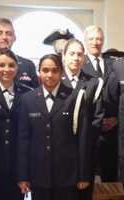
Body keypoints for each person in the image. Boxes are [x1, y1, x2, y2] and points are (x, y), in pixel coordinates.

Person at [17, 53, 94, 200]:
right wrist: (22, 176)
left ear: (61, 72)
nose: (50, 75)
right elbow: (23, 140)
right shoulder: (28, 100)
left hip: (67, 175)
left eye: (55, 70)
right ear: (39, 72)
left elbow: (83, 139)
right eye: (45, 70)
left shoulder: (75, 97)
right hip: (38, 175)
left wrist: (83, 175)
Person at [0, 48, 33, 200]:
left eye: (11, 65)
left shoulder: (28, 94)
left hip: (18, 167)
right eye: (2, 65)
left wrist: (25, 173)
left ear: (17, 67)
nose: (7, 69)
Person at [62, 38, 104, 200]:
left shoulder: (93, 83)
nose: (76, 58)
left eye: (80, 54)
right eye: (72, 54)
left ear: (84, 58)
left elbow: (97, 118)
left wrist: (84, 143)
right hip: (60, 153)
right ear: (64, 56)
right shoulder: (55, 80)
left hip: (84, 152)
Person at [83, 25, 119, 181]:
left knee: (110, 176)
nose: (95, 42)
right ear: (85, 41)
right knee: (88, 177)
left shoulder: (114, 64)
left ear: (103, 41)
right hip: (89, 128)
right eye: (91, 39)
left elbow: (120, 93)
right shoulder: (79, 64)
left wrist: (116, 118)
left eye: (98, 39)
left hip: (112, 130)